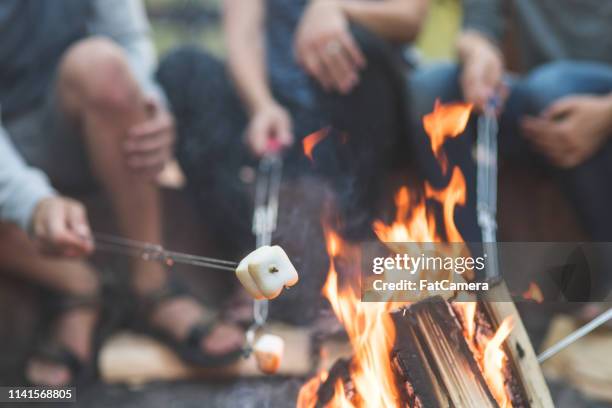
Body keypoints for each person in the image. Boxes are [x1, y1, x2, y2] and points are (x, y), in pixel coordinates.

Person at [0, 0, 242, 386]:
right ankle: (79, 287)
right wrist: (32, 201)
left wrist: (151, 104)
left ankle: (151, 288)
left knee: (101, 65)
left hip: (65, 119)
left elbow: (127, 37)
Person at [158, 0, 428, 252]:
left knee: (357, 43)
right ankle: (255, 263)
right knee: (184, 69)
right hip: (281, 113)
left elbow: (410, 18)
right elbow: (243, 36)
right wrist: (261, 106)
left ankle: (353, 251)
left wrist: (337, 9)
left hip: (358, 108)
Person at [409, 0, 612, 243]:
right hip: (532, 101)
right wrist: (481, 53)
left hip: (584, 98)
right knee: (430, 87)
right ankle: (472, 267)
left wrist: (605, 114)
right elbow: (476, 29)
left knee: (551, 88)